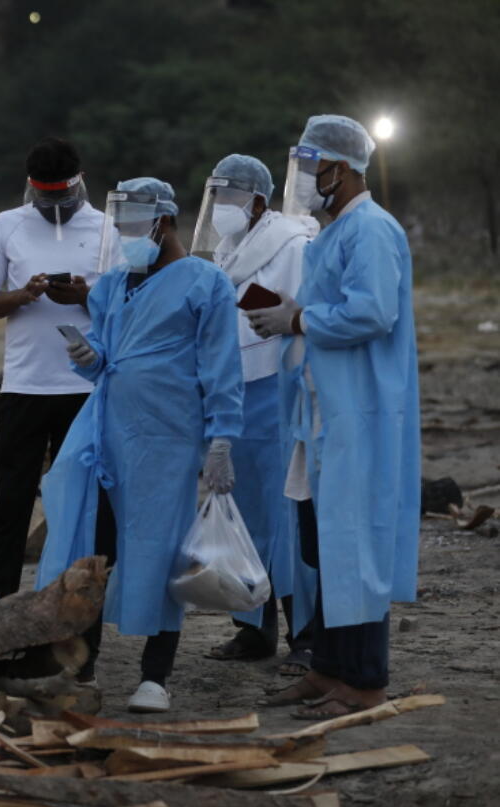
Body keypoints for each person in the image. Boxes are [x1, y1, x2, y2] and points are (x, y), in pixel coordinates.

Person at [35, 177, 244, 713]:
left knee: (160, 546)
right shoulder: (111, 285)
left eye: (134, 228)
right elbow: (107, 348)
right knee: (94, 547)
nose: (127, 239)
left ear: (164, 223)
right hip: (107, 431)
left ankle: (156, 673)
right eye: (121, 229)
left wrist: (222, 437)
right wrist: (89, 355)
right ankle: (83, 666)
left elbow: (221, 364)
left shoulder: (204, 282)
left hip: (168, 435)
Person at [246, 115, 420, 719]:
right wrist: (292, 313)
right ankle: (328, 669)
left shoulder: (371, 230)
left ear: (340, 169)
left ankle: (365, 681)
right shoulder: (333, 232)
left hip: (360, 411)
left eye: (312, 167)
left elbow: (373, 313)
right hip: (321, 412)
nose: (306, 180)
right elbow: (328, 305)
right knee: (324, 544)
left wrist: (297, 320)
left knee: (356, 546)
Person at [190, 154, 319, 675]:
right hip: (235, 394)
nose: (221, 208)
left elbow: (302, 312)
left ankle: (306, 634)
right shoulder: (226, 250)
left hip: (278, 391)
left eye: (230, 197)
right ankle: (253, 629)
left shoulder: (292, 244)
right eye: (216, 196)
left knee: (285, 517)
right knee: (244, 515)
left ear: (258, 201)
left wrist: (273, 311)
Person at [0, 136, 112, 600]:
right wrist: (23, 295)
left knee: (83, 505)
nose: (56, 209)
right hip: (25, 386)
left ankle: (76, 608)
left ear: (81, 184)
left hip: (86, 389)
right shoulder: (7, 225)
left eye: (63, 199)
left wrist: (85, 296)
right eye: (46, 199)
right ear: (32, 189)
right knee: (11, 502)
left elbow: (129, 309)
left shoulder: (108, 229)